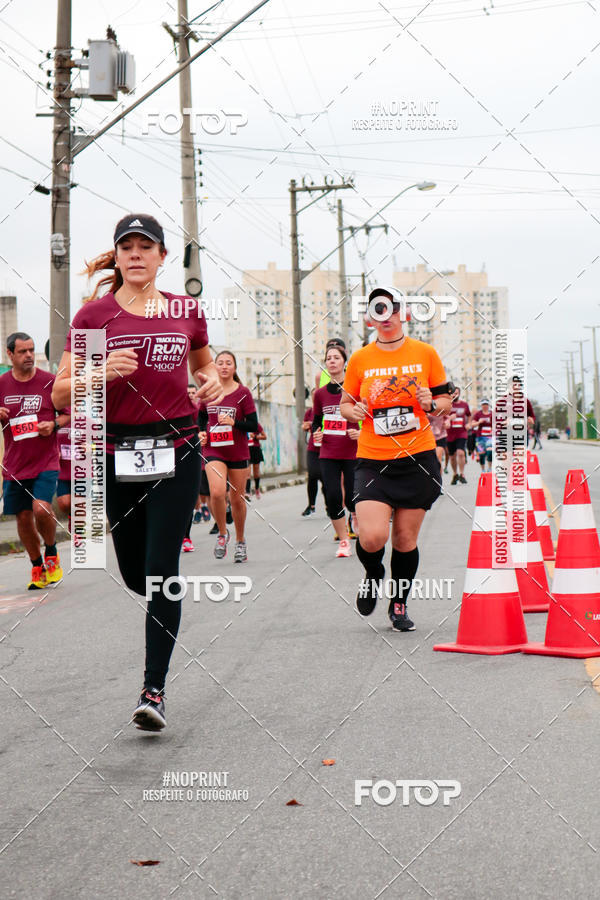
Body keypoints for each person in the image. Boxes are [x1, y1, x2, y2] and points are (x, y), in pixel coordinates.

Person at [51, 213, 224, 732]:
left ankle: (154, 690)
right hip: (115, 453)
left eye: (145, 246)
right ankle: (155, 597)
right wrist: (98, 372)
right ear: (117, 256)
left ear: (162, 256)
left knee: (162, 571)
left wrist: (211, 381)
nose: (135, 254)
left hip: (176, 449)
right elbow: (58, 394)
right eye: (125, 246)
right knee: (136, 573)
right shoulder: (93, 317)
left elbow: (205, 364)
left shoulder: (185, 310)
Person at [340, 287, 452, 631]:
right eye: (377, 309)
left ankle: (399, 604)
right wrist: (354, 410)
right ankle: (374, 572)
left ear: (402, 313)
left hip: (417, 458)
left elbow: (445, 399)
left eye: (390, 308)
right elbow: (345, 404)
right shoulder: (360, 359)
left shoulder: (425, 352)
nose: (385, 316)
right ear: (370, 317)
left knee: (405, 540)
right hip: (374, 460)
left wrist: (429, 402)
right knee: (372, 537)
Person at [0, 332, 66, 589]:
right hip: (15, 465)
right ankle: (37, 565)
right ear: (10, 354)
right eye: (22, 351)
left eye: (31, 350)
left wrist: (54, 423)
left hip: (46, 460)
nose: (28, 355)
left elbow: (69, 413)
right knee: (23, 518)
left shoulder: (50, 382)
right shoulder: (2, 384)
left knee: (41, 508)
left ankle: (51, 552)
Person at [198, 350, 257, 562]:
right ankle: (223, 533)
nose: (223, 366)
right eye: (220, 363)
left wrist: (235, 423)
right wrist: (201, 432)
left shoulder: (243, 393)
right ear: (214, 367)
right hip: (214, 450)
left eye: (228, 363)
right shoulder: (208, 392)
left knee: (237, 500)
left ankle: (240, 541)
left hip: (238, 451)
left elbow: (253, 424)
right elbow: (200, 416)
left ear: (234, 368)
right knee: (216, 492)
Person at [312, 344, 360, 557]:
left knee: (351, 497)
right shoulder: (320, 394)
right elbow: (315, 422)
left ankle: (355, 515)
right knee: (332, 496)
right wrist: (316, 434)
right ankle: (343, 540)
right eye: (328, 358)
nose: (331, 361)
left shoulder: (354, 390)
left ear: (344, 362)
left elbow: (367, 419)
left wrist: (361, 434)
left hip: (352, 451)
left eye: (336, 357)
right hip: (328, 452)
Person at [301, 388, 325, 516]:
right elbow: (304, 425)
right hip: (312, 448)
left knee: (325, 477)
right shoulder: (310, 411)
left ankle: (329, 505)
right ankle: (311, 505)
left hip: (327, 448)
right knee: (312, 475)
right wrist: (307, 425)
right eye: (314, 395)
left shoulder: (327, 410)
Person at [55, 408, 73, 541]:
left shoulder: (87, 421)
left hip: (82, 470)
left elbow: (100, 441)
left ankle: (78, 533)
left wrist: (91, 447)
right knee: (64, 503)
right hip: (63, 470)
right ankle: (72, 516)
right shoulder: (56, 422)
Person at [446, 388, 471, 485]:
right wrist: (449, 418)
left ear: (459, 394)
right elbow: (440, 416)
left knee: (461, 453)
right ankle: (455, 474)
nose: (454, 395)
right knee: (452, 457)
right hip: (449, 434)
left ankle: (462, 474)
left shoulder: (464, 405)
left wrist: (468, 423)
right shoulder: (447, 405)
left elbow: (469, 415)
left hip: (461, 432)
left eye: (456, 393)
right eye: (453, 393)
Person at [472, 399, 493, 473]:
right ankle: (483, 469)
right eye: (483, 405)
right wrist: (479, 422)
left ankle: (490, 468)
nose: (485, 406)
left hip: (490, 437)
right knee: (482, 455)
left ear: (489, 405)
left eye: (486, 404)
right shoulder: (478, 414)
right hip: (480, 437)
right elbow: (473, 424)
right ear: (481, 405)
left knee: (490, 452)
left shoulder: (492, 414)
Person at [246, 422, 266, 499]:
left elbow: (264, 436)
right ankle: (247, 492)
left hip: (256, 449)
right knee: (247, 471)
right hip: (247, 449)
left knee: (256, 471)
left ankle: (257, 489)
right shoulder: (242, 424)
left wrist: (255, 437)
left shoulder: (256, 424)